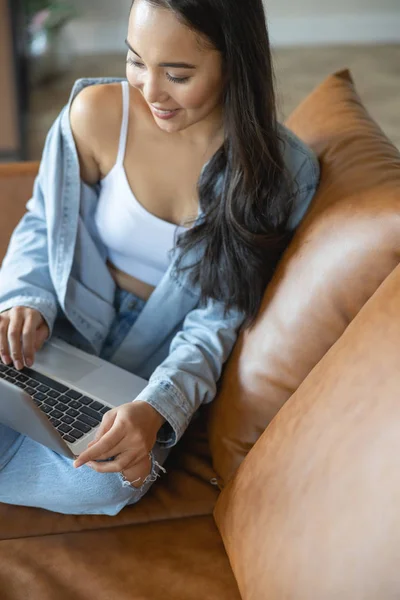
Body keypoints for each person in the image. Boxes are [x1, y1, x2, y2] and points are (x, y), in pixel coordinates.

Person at [0, 0, 319, 515]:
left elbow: (218, 322)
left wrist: (154, 410)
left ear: (235, 62)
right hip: (55, 335)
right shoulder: (97, 113)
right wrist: (25, 300)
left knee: (108, 482)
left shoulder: (279, 175)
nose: (150, 92)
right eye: (135, 60)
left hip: (150, 369)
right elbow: (43, 221)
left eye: (177, 74)